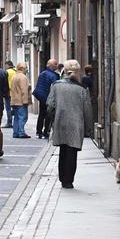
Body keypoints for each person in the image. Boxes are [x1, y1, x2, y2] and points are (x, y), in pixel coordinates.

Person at [48, 59, 94, 189]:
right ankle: (68, 180)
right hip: (76, 125)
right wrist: (89, 128)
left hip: (60, 122)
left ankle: (62, 177)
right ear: (77, 71)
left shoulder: (56, 85)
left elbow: (50, 105)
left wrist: (51, 121)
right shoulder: (82, 89)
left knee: (63, 150)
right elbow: (88, 110)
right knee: (72, 153)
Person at [33, 58, 60, 139]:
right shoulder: (54, 75)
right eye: (56, 64)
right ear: (52, 66)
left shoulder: (42, 73)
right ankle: (46, 132)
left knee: (41, 114)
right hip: (48, 98)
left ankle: (38, 132)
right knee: (49, 115)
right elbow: (55, 87)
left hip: (41, 97)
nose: (57, 66)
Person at [9, 62, 32, 138]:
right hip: (21, 101)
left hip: (14, 100)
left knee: (16, 117)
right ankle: (21, 132)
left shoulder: (14, 77)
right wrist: (25, 101)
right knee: (23, 117)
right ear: (22, 68)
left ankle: (15, 132)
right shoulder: (23, 77)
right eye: (26, 68)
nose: (27, 70)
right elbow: (24, 90)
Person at [2, 60, 16, 128]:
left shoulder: (7, 72)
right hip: (16, 92)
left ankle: (9, 122)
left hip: (8, 92)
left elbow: (4, 83)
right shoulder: (16, 71)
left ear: (7, 65)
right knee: (15, 107)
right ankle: (16, 122)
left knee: (8, 108)